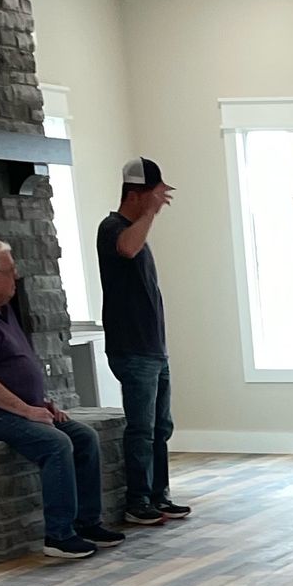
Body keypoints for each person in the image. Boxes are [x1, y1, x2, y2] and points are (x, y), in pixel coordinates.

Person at [0, 238, 121, 562]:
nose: (16, 277)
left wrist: (41, 402)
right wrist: (26, 411)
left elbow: (13, 365)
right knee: (56, 444)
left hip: (13, 408)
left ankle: (88, 523)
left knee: (84, 437)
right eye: (10, 272)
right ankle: (59, 535)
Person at [98, 157, 189, 528]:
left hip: (152, 348)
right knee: (140, 426)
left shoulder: (134, 228)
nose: (158, 204)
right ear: (135, 194)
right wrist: (149, 214)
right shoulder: (112, 227)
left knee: (159, 426)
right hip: (132, 348)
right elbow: (127, 249)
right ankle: (137, 500)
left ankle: (156, 495)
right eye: (152, 195)